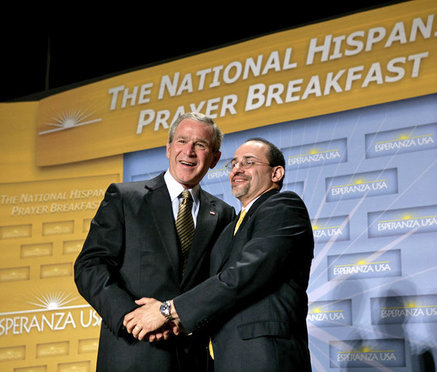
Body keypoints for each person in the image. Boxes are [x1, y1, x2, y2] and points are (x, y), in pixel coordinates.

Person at [124, 138, 315, 372]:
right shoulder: (229, 228)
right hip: (227, 358)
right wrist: (177, 322)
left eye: (249, 162)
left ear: (276, 173)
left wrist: (167, 310)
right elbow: (216, 290)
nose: (237, 169)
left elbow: (243, 275)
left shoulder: (284, 206)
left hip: (267, 357)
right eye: (233, 164)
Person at [74, 112, 235, 372]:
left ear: (215, 158)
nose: (189, 151)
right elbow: (90, 266)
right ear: (169, 148)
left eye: (201, 145)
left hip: (193, 360)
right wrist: (133, 318)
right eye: (182, 141)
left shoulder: (224, 214)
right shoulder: (125, 198)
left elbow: (221, 284)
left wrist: (179, 317)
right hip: (132, 353)